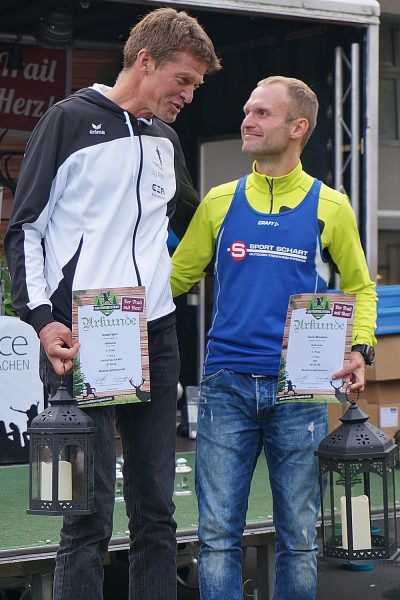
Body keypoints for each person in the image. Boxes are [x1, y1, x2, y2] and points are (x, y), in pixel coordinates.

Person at [5, 8, 220, 600]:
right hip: (81, 334)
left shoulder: (166, 140)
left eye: (196, 86)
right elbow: (25, 229)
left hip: (156, 333)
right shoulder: (68, 121)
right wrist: (44, 321)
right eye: (184, 80)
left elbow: (185, 225)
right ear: (146, 61)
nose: (189, 95)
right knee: (88, 513)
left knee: (157, 511)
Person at [171, 76, 377, 600]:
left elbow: (360, 288)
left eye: (262, 113)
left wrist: (359, 349)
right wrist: (101, 314)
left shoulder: (331, 206)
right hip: (226, 387)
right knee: (217, 540)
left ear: (297, 127)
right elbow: (171, 280)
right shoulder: (218, 201)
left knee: (300, 541)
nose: (247, 120)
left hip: (300, 392)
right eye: (247, 110)